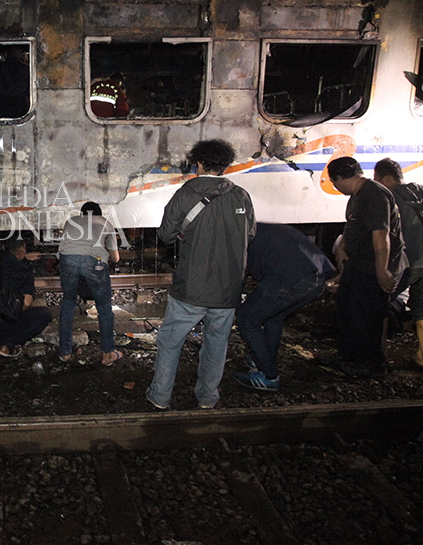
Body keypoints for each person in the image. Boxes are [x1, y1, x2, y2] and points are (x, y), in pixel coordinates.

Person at [146, 139, 255, 410]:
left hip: (191, 288)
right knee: (217, 343)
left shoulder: (186, 193)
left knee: (171, 341)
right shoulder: (241, 195)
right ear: (224, 165)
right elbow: (250, 234)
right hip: (228, 289)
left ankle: (160, 397)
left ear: (199, 163)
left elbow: (165, 234)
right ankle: (207, 397)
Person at [320, 156, 406, 377]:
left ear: (339, 178)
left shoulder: (374, 194)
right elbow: (354, 226)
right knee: (347, 310)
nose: (336, 188)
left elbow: (381, 236)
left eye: (334, 183)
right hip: (359, 265)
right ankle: (348, 356)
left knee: (368, 316)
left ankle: (373, 365)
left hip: (371, 267)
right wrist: (342, 248)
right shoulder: (358, 195)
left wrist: (382, 270)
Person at [374, 158, 423, 371]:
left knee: (381, 301)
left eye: (378, 181)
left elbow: (384, 233)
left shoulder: (390, 198)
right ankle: (422, 355)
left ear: (388, 179)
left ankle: (379, 356)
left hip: (406, 263)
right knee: (421, 305)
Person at [234, 223, 335, 391]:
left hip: (290, 276)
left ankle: (268, 375)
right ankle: (264, 358)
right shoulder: (258, 228)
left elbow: (237, 275)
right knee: (274, 317)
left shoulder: (238, 237)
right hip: (317, 274)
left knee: (247, 320)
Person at [58, 202, 122, 365]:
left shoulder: (71, 221)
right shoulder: (106, 223)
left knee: (68, 302)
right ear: (99, 214)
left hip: (67, 258)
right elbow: (115, 258)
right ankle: (107, 354)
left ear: (81, 213)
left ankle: (65, 352)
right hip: (94, 260)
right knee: (104, 307)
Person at [0, 236, 52, 357]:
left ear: (3, 247)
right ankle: (8, 346)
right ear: (22, 250)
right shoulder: (22, 269)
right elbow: (27, 303)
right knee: (44, 314)